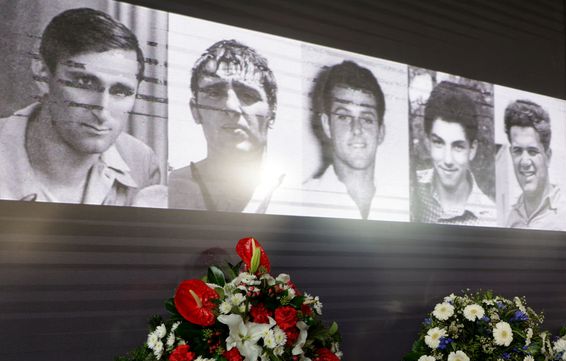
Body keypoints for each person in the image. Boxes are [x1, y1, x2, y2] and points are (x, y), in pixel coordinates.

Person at [0, 8, 162, 205]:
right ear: (42, 73)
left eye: (120, 91)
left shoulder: (141, 162)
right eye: (85, 83)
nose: (102, 110)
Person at [168, 39, 282, 213]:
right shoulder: (166, 193)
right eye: (214, 93)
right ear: (195, 110)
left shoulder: (302, 195)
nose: (231, 107)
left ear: (271, 113)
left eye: (248, 95)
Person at [300, 60, 395, 220]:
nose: (356, 129)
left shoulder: (400, 204)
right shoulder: (302, 201)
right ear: (327, 125)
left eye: (367, 118)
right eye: (343, 116)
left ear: (381, 131)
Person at [411, 80, 496, 226]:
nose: (448, 160)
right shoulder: (412, 189)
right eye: (439, 143)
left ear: (472, 149)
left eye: (458, 146)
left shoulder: (490, 219)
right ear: (427, 143)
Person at [502, 99, 566, 231]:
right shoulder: (510, 219)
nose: (525, 162)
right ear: (511, 154)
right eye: (517, 151)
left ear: (548, 156)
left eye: (532, 151)